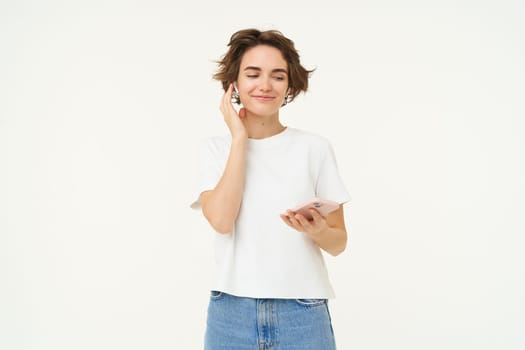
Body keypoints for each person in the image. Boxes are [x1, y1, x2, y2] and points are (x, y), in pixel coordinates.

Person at [191, 28, 351, 350]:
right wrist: (239, 138)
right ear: (233, 82)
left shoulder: (314, 148)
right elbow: (222, 220)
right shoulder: (215, 149)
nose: (265, 85)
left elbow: (338, 243)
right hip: (231, 313)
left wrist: (318, 229)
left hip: (303, 312)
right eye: (253, 74)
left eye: (278, 76)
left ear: (290, 84)